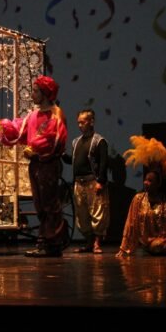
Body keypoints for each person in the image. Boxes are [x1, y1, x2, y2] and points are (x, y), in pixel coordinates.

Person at [0, 75, 68, 257]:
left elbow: (55, 137)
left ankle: (53, 242)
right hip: (35, 164)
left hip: (48, 163)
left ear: (45, 93)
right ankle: (44, 241)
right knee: (39, 204)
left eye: (36, 91)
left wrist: (36, 149)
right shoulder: (33, 115)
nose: (32, 94)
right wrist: (4, 127)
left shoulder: (55, 113)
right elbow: (21, 132)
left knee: (49, 203)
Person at [62, 109, 109, 254]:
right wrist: (62, 154)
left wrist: (100, 181)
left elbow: (103, 163)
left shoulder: (99, 141)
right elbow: (73, 161)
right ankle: (89, 242)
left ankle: (97, 243)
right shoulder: (76, 142)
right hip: (79, 183)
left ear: (91, 122)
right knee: (82, 214)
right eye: (78, 123)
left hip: (93, 182)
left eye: (83, 122)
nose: (80, 125)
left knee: (98, 212)